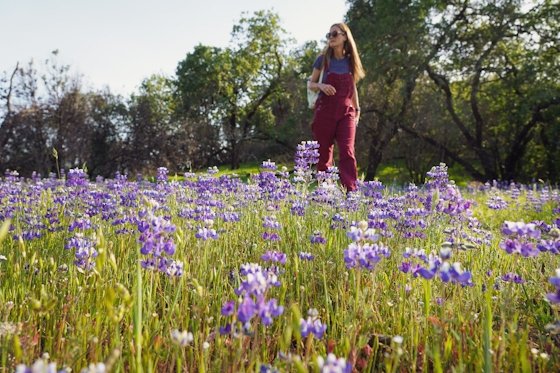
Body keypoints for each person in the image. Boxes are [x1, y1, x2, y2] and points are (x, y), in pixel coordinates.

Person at [308, 23, 365, 192]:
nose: (331, 37)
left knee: (347, 151)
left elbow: (352, 87)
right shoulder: (323, 59)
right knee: (323, 153)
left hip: (347, 111)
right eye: (329, 34)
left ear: (345, 36)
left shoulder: (351, 61)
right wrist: (321, 86)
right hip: (324, 110)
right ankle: (326, 192)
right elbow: (311, 83)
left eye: (335, 33)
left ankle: (350, 192)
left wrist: (357, 110)